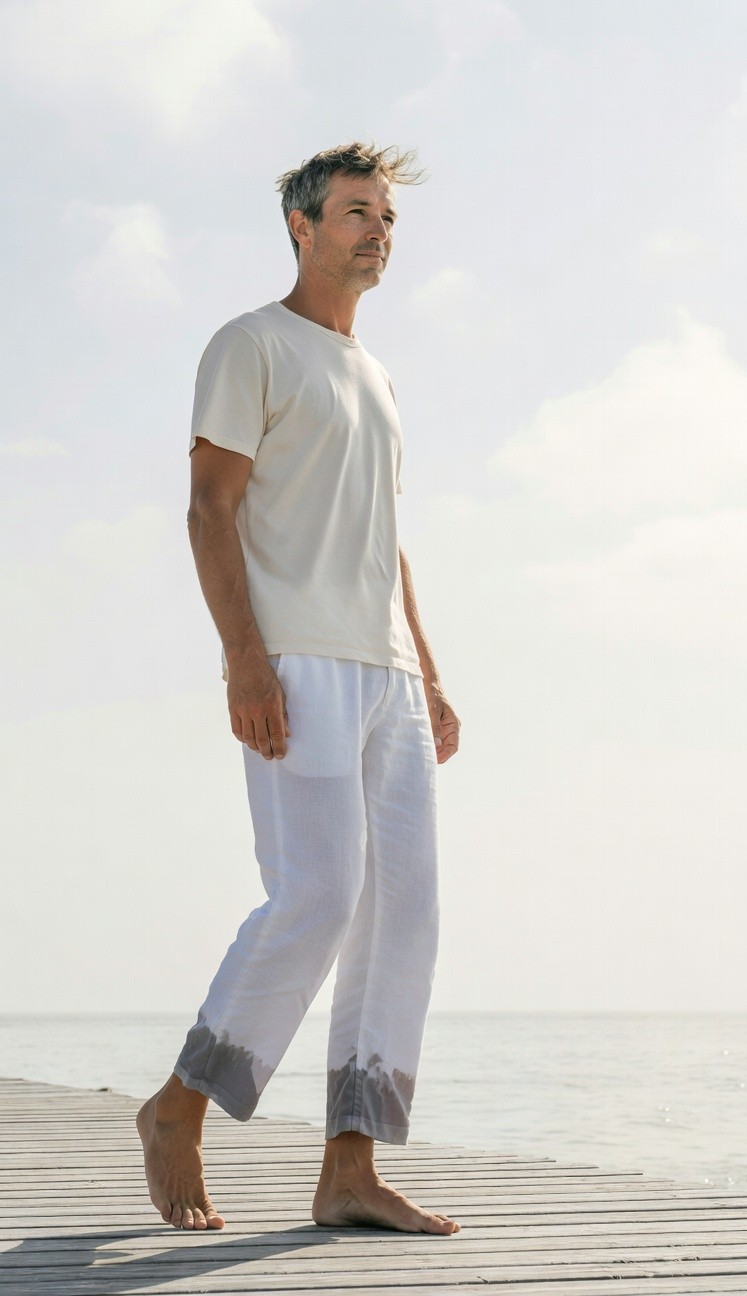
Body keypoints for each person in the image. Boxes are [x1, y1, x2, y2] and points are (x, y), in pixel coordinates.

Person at [136, 143, 460, 1235]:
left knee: (402, 917)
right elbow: (208, 508)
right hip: (297, 663)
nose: (377, 232)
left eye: (387, 219)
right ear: (303, 227)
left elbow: (388, 542)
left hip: (390, 677)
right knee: (317, 896)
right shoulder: (250, 345)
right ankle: (181, 1106)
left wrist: (433, 675)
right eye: (357, 213)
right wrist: (243, 659)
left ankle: (349, 1169)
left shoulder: (379, 377)